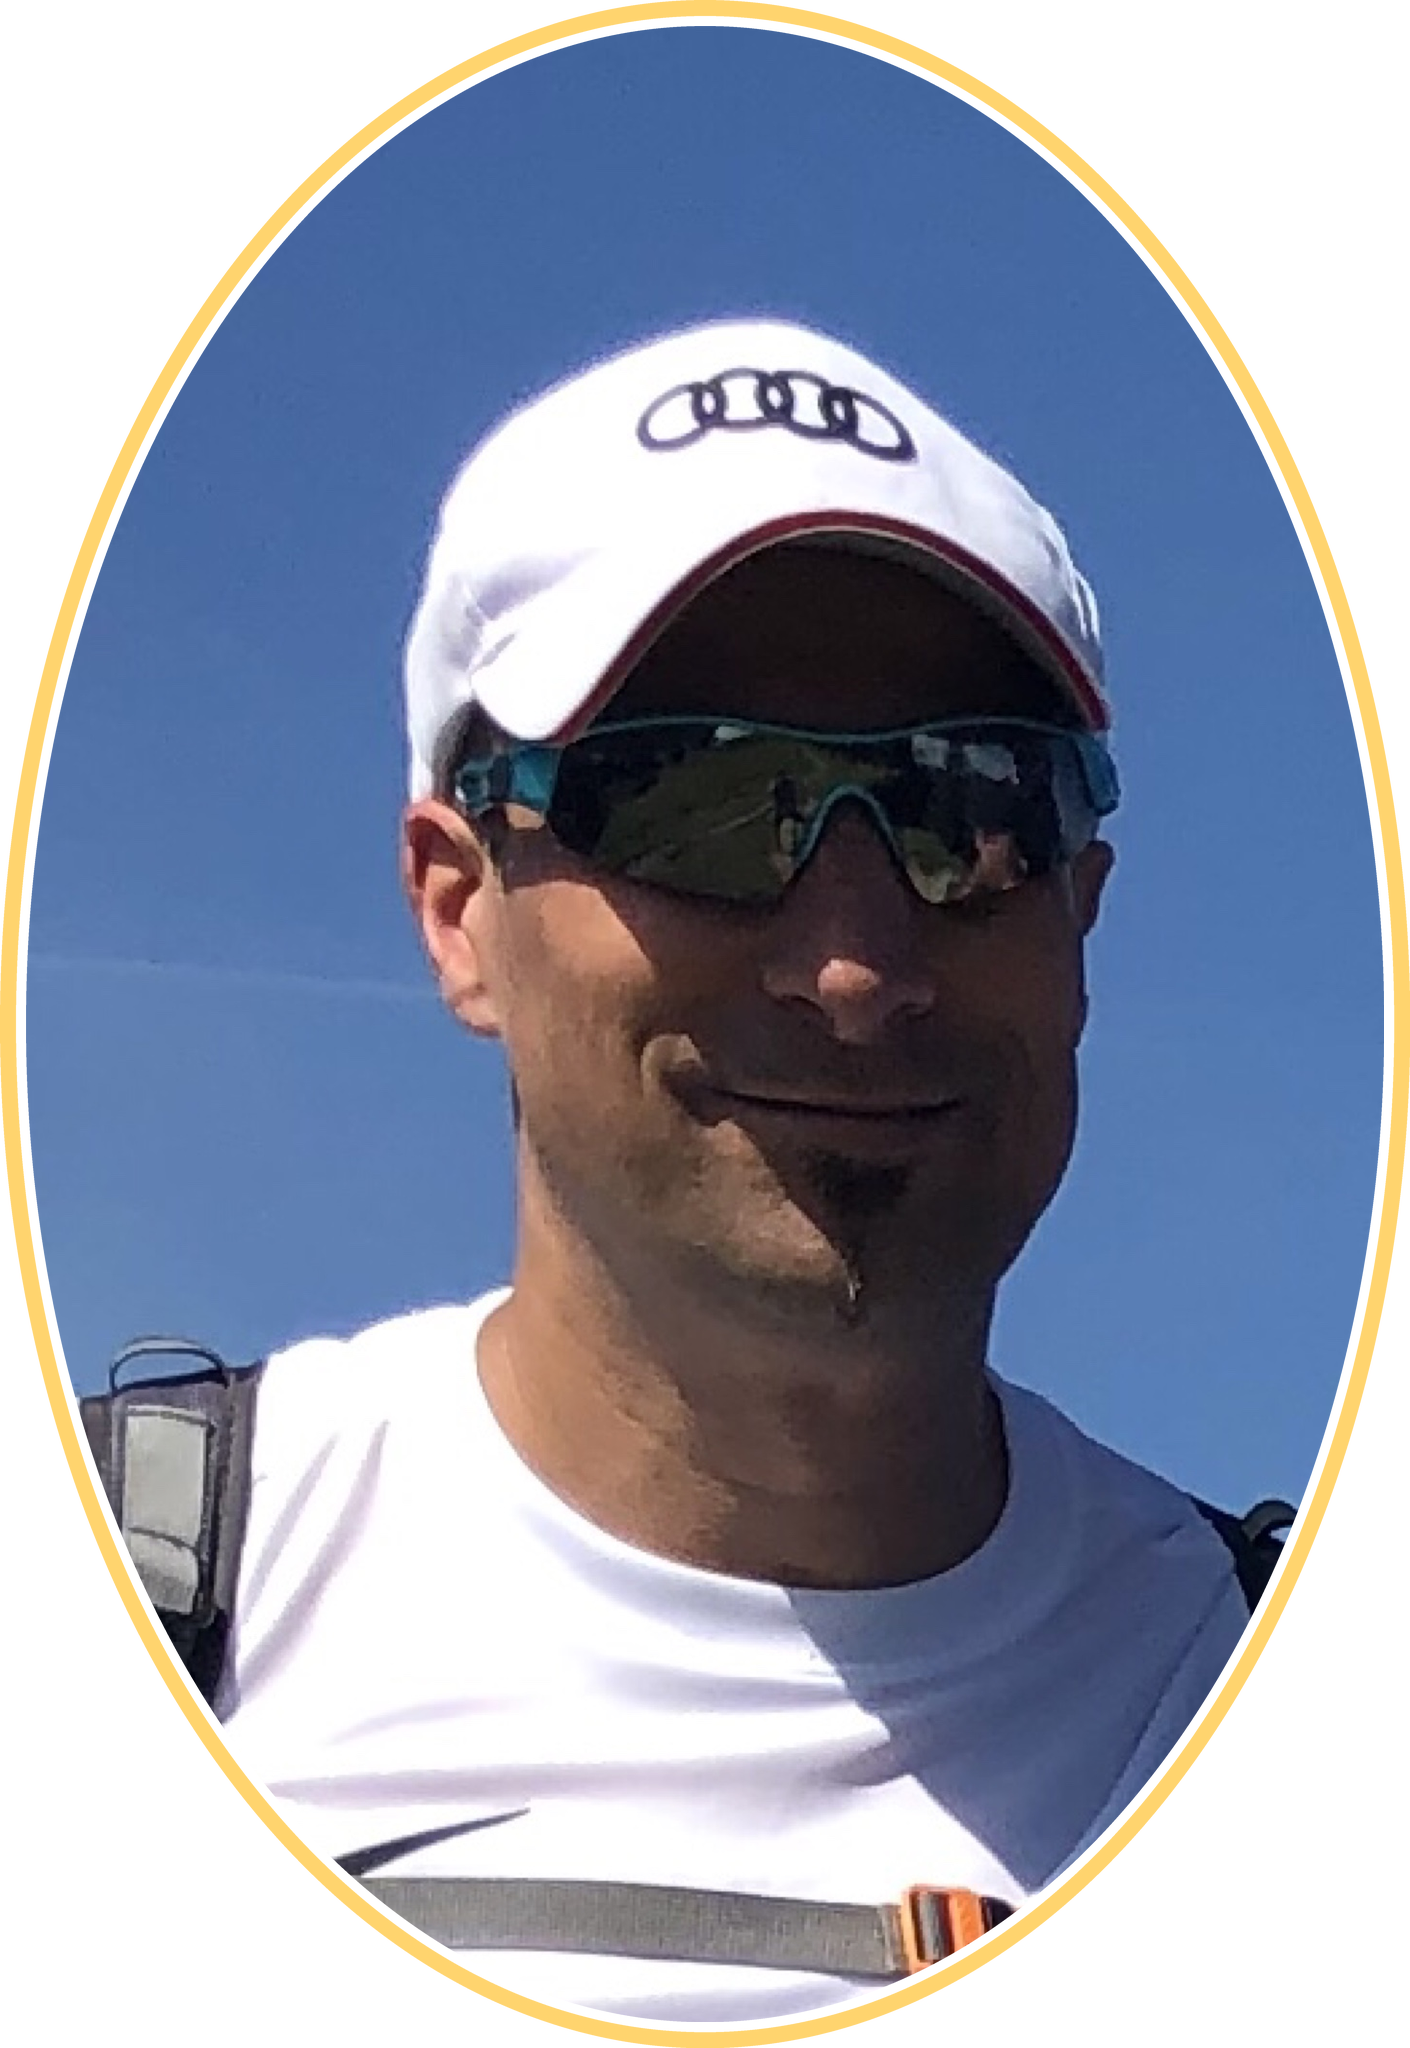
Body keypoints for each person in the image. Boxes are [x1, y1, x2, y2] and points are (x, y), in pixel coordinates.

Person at [153, 321, 1258, 2022]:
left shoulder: (1274, 1695)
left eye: (966, 810)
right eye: (695, 803)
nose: (854, 968)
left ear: (1079, 910)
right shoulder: (149, 1613)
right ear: (457, 911)